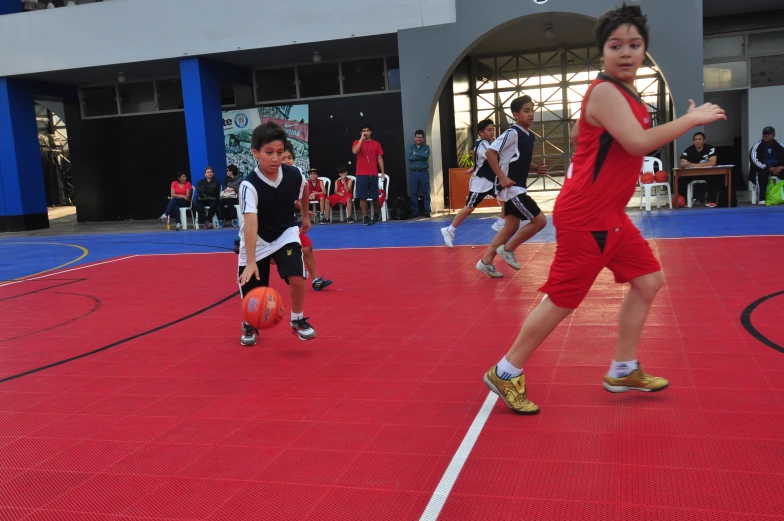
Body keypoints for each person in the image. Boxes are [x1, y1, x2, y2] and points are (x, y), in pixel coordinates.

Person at [482, 3, 726, 414]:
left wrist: (587, 132)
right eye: (617, 45)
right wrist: (694, 119)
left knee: (648, 281)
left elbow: (586, 132)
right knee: (563, 299)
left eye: (635, 44)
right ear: (603, 53)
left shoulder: (624, 94)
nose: (626, 52)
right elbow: (636, 143)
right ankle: (506, 371)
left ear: (644, 48)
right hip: (587, 216)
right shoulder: (607, 90)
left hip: (611, 215)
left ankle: (624, 368)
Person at [237, 122, 317, 345]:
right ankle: (249, 323)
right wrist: (251, 261)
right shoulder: (248, 185)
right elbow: (251, 224)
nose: (275, 158)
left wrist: (305, 216)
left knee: (298, 274)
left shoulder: (294, 174)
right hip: (257, 239)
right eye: (268, 152)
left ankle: (297, 320)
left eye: (280, 152)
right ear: (255, 152)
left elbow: (305, 189)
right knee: (253, 289)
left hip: (285, 232)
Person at [475, 96, 548, 278]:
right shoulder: (513, 132)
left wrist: (536, 168)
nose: (531, 114)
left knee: (511, 227)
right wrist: (502, 176)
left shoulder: (528, 136)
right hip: (512, 188)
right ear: (515, 115)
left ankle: (485, 262)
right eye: (526, 111)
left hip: (516, 188)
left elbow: (518, 159)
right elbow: (490, 152)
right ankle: (508, 249)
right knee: (540, 221)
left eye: (532, 110)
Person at [441, 119, 499, 247]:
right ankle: (449, 230)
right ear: (481, 132)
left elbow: (476, 154)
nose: (492, 132)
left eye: (493, 129)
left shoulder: (483, 144)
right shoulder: (484, 144)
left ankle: (501, 223)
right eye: (489, 130)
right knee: (469, 207)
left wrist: (475, 166)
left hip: (491, 181)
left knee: (507, 197)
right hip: (481, 183)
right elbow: (489, 155)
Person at [352, 124, 385, 226]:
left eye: (367, 131)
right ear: (361, 133)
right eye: (363, 131)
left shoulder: (376, 144)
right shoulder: (357, 142)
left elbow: (379, 158)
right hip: (361, 174)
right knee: (362, 197)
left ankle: (375, 215)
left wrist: (382, 172)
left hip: (373, 174)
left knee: (375, 196)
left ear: (371, 132)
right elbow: (354, 151)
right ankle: (365, 217)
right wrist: (361, 139)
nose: (365, 132)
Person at [679, 132, 720, 207]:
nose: (697, 141)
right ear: (693, 141)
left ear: (704, 140)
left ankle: (711, 201)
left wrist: (696, 165)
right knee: (681, 180)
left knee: (715, 178)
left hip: (707, 173)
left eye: (700, 139)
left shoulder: (710, 148)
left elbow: (712, 162)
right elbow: (682, 163)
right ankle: (685, 201)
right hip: (692, 174)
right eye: (695, 139)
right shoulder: (688, 150)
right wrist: (685, 165)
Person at [749, 126, 784, 206]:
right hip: (762, 168)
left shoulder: (780, 145)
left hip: (778, 168)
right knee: (762, 174)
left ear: (774, 135)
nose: (766, 136)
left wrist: (782, 167)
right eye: (764, 134)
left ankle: (781, 196)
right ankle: (762, 198)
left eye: (769, 134)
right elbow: (754, 160)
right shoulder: (757, 146)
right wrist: (768, 168)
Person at [407, 130, 432, 218]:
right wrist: (420, 155)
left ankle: (427, 211)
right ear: (414, 138)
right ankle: (415, 212)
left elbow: (426, 156)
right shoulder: (410, 147)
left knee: (426, 193)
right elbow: (410, 157)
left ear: (423, 138)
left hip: (424, 172)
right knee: (413, 193)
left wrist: (416, 154)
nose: (419, 139)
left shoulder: (426, 147)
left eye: (420, 137)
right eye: (417, 137)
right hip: (413, 173)